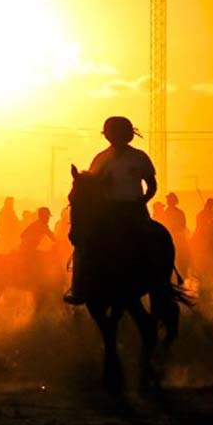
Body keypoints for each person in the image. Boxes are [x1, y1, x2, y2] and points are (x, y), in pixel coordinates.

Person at [65, 116, 156, 305]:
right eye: (113, 133)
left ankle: (159, 280)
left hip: (134, 209)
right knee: (83, 244)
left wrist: (143, 200)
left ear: (129, 135)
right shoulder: (100, 158)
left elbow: (152, 185)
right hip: (107, 210)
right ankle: (78, 287)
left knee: (154, 240)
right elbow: (90, 186)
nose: (116, 137)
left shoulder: (139, 157)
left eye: (120, 133)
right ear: (108, 136)